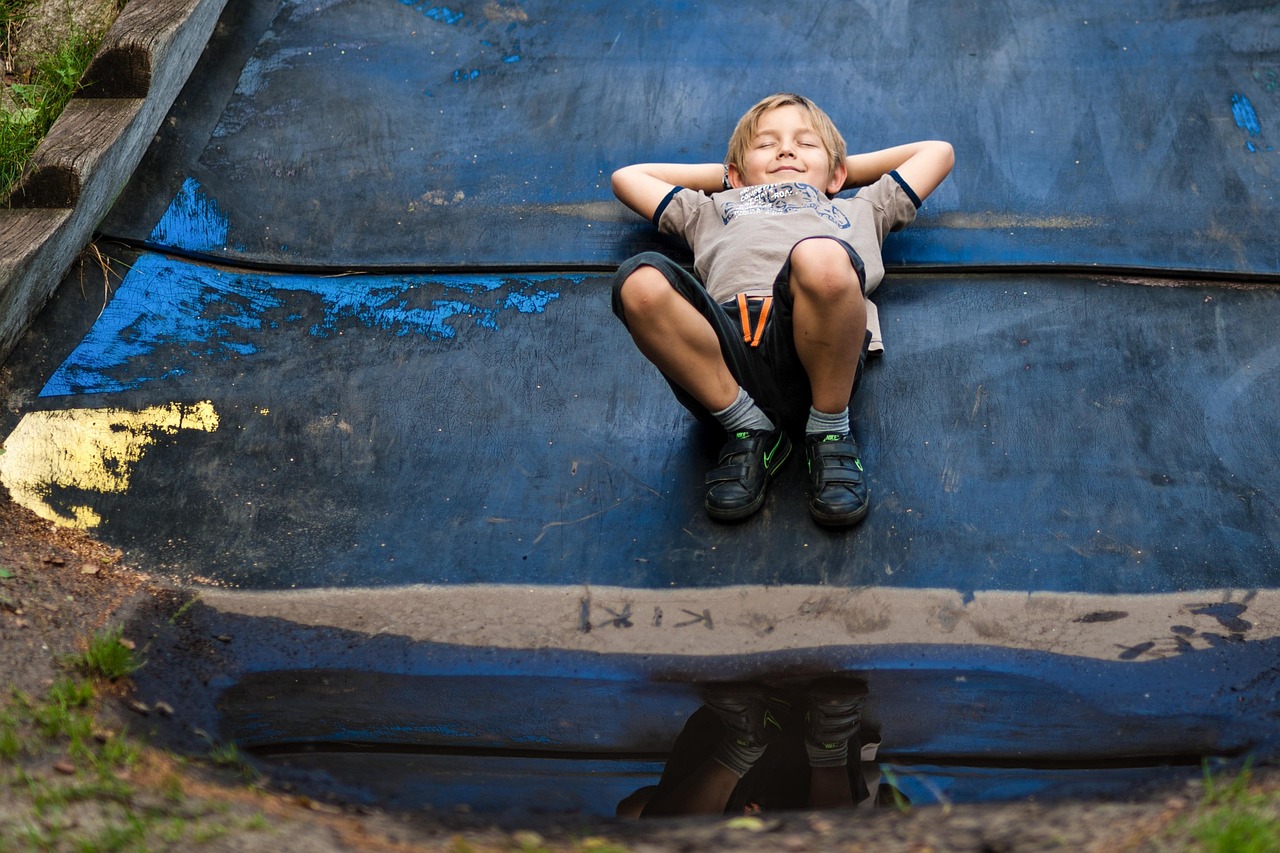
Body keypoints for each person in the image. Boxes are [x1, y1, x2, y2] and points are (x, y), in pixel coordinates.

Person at [610, 93, 954, 526]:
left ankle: (829, 429)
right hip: (724, 359)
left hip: (818, 355)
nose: (786, 150)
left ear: (838, 173)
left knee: (821, 256)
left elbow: (937, 153)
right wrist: (736, 180)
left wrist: (835, 172)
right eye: (766, 144)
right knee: (638, 280)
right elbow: (629, 177)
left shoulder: (860, 208)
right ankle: (748, 429)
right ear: (734, 174)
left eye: (804, 144)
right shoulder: (711, 210)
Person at [614, 679, 892, 817]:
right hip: (817, 759)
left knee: (666, 842)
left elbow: (629, 810)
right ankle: (828, 747)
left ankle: (741, 747)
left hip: (732, 734)